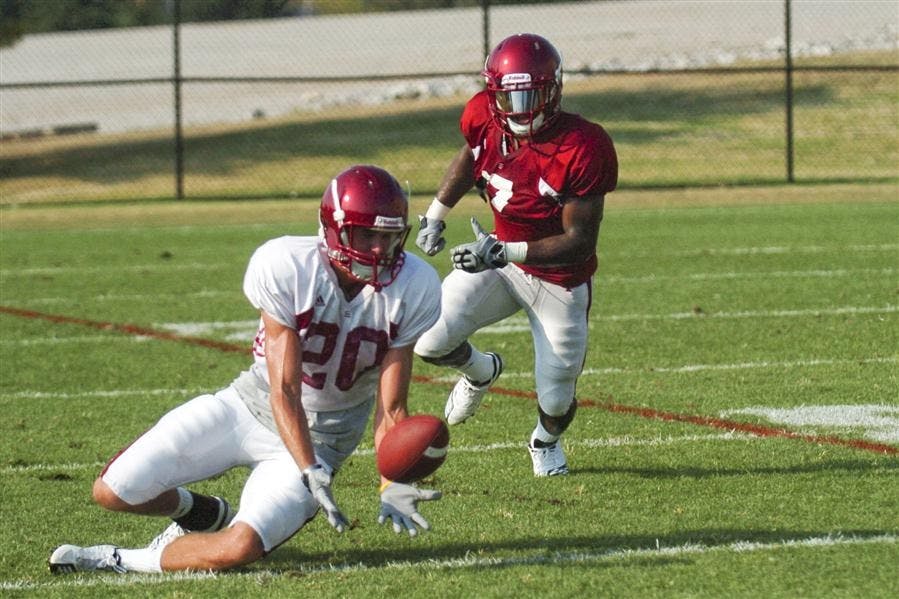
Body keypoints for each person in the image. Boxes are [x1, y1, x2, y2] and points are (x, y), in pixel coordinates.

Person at [49, 165, 443, 574]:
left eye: (390, 236)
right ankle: (202, 514)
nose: (380, 250)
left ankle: (117, 560)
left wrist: (393, 480)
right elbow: (284, 390)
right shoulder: (288, 264)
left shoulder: (415, 285)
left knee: (239, 548)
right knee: (114, 491)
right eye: (368, 235)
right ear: (333, 229)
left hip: (327, 434)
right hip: (249, 406)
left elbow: (391, 406)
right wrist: (308, 469)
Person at [413, 33, 618, 477]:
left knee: (557, 394)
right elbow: (471, 156)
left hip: (558, 277)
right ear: (493, 93)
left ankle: (544, 441)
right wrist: (435, 213)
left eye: (533, 95)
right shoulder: (482, 116)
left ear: (555, 90)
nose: (522, 108)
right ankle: (480, 371)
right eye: (511, 96)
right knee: (428, 340)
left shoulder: (585, 145)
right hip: (500, 262)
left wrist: (503, 251)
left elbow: (579, 240)